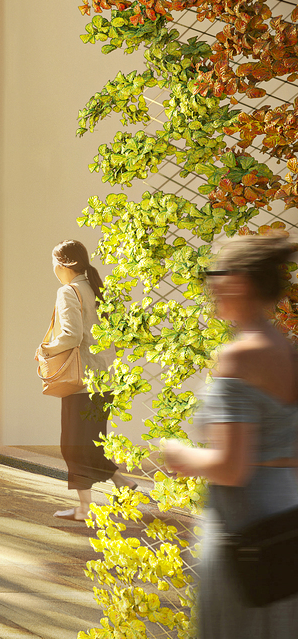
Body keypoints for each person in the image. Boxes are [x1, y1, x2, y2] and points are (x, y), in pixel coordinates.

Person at [163, 235, 298, 635]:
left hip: (244, 535)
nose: (210, 286)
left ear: (238, 280)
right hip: (288, 528)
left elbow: (231, 467)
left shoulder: (239, 356)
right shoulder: (288, 352)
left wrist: (178, 453)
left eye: (214, 274)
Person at [37, 239, 116, 520]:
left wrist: (46, 349)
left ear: (63, 264)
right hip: (105, 379)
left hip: (81, 381)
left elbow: (71, 336)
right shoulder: (98, 288)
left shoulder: (68, 291)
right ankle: (126, 485)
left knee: (73, 446)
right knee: (93, 443)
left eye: (53, 262)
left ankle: (85, 509)